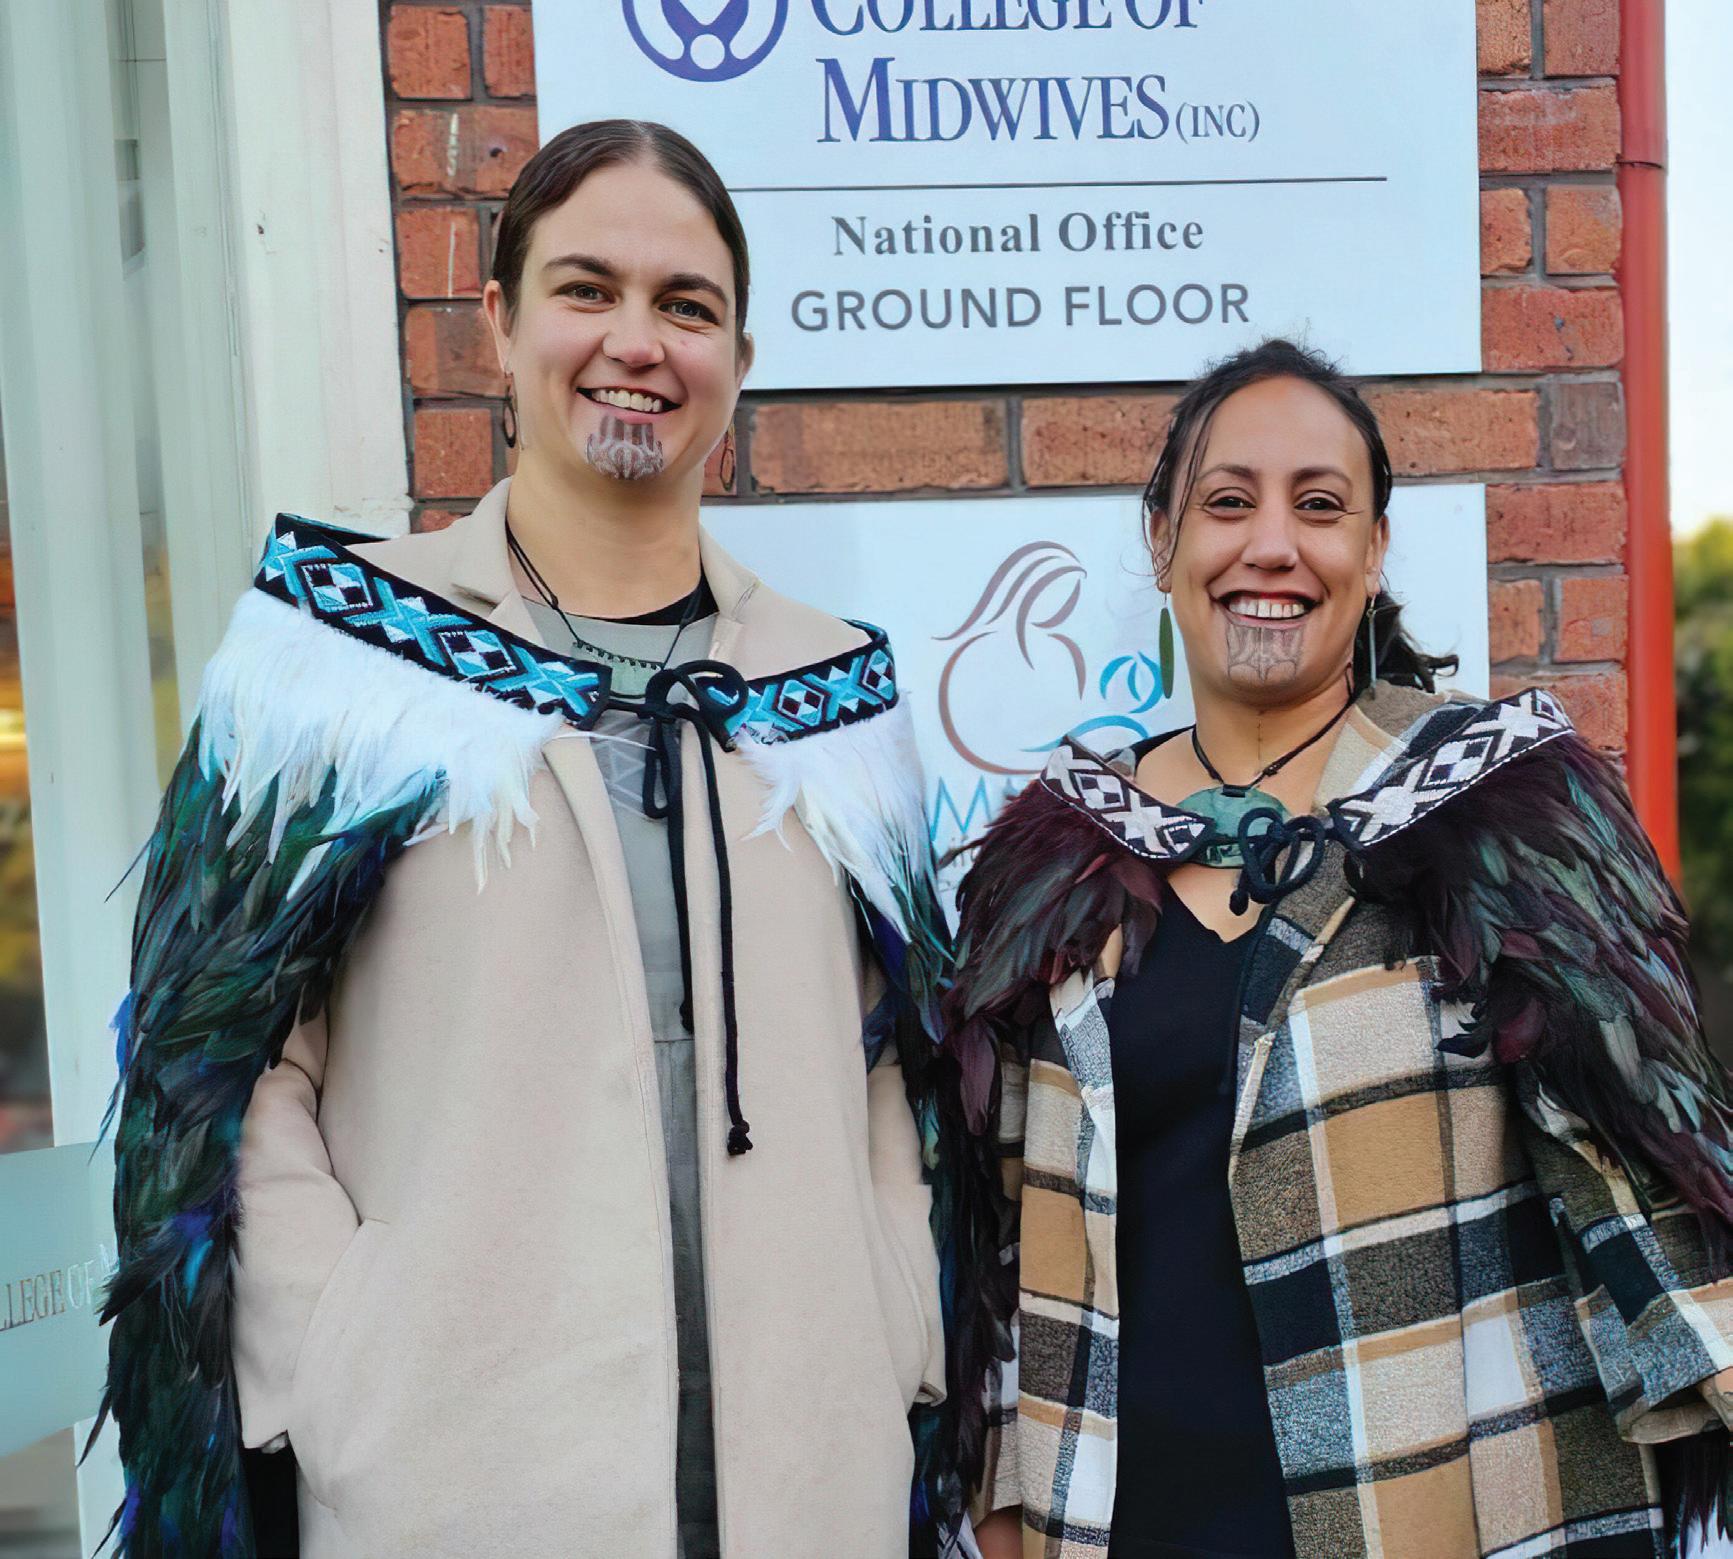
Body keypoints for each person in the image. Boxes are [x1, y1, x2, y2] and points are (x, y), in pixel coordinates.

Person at [96, 120, 1004, 1558]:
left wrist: (896, 1306)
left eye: (685, 305)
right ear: (499, 323)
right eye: (587, 288)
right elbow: (216, 1063)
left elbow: (897, 1058)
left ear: (738, 361)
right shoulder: (341, 657)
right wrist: (338, 1361)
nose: (636, 341)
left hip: (812, 1486)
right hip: (451, 1493)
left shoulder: (837, 691)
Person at [954, 339, 1733, 1558]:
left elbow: (1645, 1156)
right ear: (1160, 538)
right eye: (1227, 501)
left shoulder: (1493, 812)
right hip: (1122, 1518)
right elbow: (1000, 1237)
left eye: (1318, 506)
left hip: (1430, 1510)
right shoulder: (1056, 862)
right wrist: (999, 1496)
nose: (1271, 544)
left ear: (1371, 553)